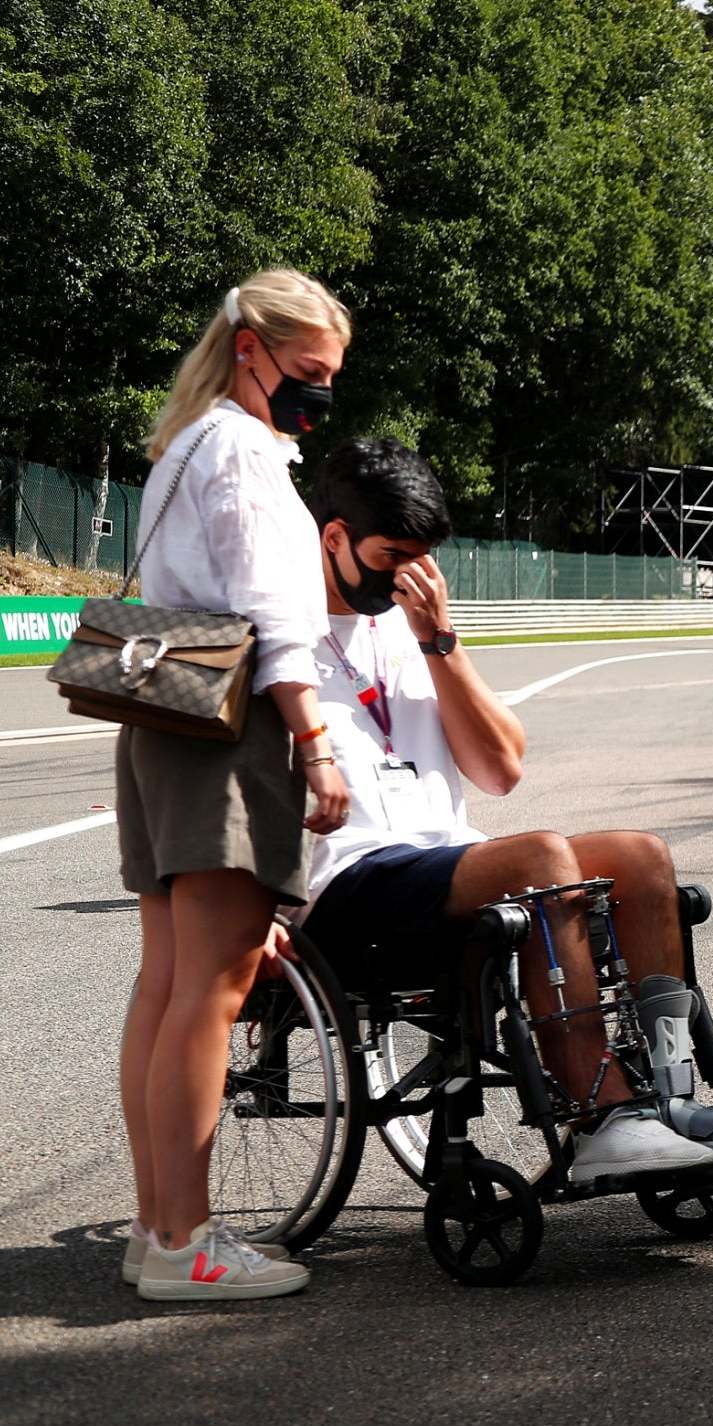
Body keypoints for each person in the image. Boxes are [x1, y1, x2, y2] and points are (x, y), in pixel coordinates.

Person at [295, 438, 713, 1180]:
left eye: (422, 556)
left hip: (443, 861)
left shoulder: (409, 627)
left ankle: (675, 1096)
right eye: (392, 553)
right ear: (335, 539)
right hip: (352, 881)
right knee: (542, 858)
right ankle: (601, 1112)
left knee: (640, 856)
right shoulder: (282, 633)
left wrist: (440, 642)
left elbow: (501, 769)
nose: (409, 572)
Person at [118, 271, 354, 1301]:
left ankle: (157, 1226)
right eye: (309, 372)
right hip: (223, 720)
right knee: (208, 994)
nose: (320, 395)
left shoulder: (186, 443)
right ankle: (187, 1242)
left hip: (159, 708)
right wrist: (316, 742)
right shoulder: (247, 454)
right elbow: (276, 617)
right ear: (249, 347)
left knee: (168, 986)